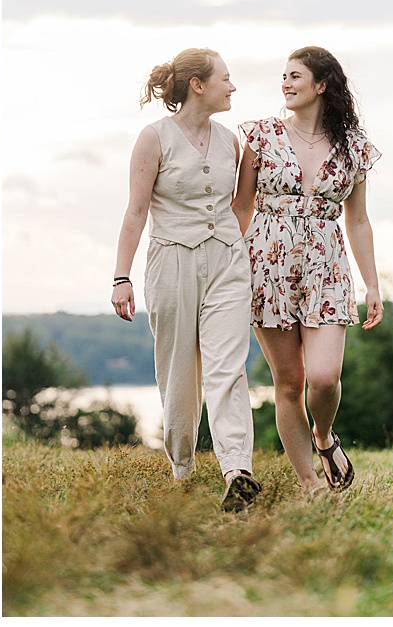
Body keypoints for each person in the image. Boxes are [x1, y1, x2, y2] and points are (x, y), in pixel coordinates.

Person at [109, 48, 260, 511]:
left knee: (227, 368)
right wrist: (121, 276)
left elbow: (241, 207)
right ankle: (183, 470)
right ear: (198, 84)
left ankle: (238, 470)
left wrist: (236, 246)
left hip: (228, 265)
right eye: (225, 79)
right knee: (178, 372)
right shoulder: (153, 139)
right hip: (171, 262)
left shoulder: (231, 141)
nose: (233, 87)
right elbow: (136, 211)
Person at [233, 47, 383, 498]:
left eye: (295, 76)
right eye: (283, 76)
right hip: (266, 266)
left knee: (323, 377)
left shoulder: (353, 147)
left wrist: (371, 283)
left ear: (321, 84)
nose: (285, 83)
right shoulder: (260, 137)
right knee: (288, 382)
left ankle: (323, 436)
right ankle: (311, 485)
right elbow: (241, 208)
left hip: (326, 267)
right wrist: (227, 269)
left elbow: (357, 220)